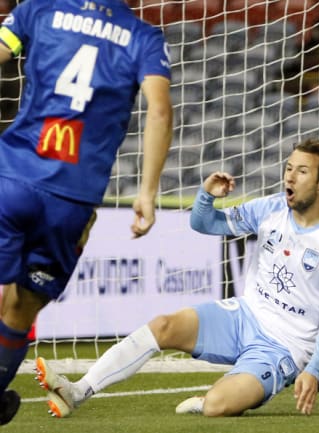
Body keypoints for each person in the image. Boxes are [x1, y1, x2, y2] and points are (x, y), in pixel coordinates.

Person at [35, 139, 319, 417]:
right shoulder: (271, 208)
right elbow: (204, 224)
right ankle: (78, 391)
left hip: (285, 347)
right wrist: (207, 195)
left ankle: (221, 394)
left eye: (302, 171)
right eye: (289, 168)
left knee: (217, 406)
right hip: (244, 315)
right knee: (163, 325)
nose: (290, 176)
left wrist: (314, 370)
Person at [0, 0, 173, 424]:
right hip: (71, 200)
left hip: (11, 175)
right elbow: (160, 110)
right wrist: (147, 192)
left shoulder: (36, 11)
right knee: (22, 306)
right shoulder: (143, 37)